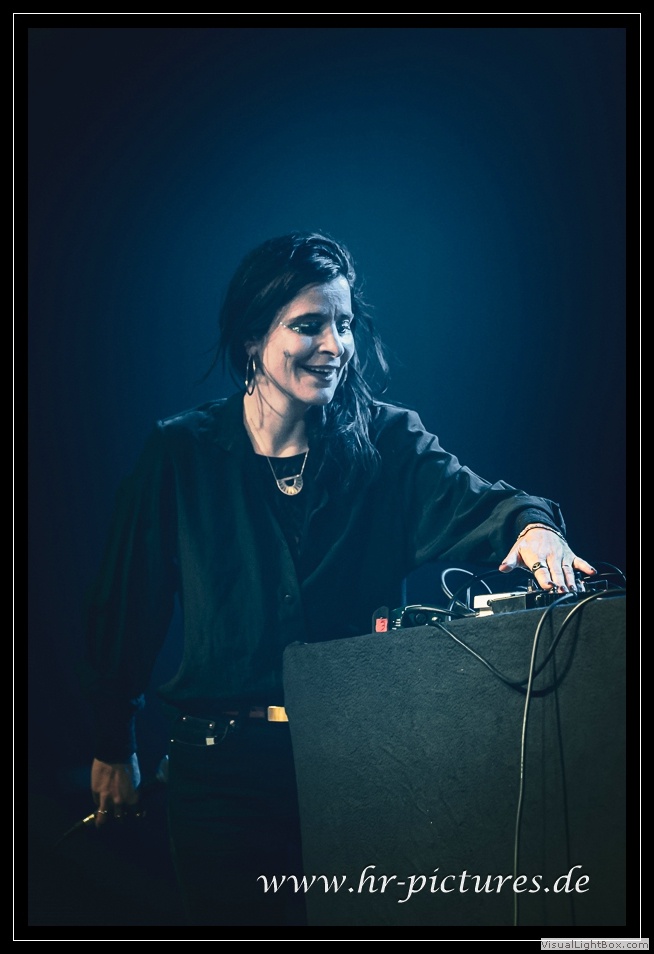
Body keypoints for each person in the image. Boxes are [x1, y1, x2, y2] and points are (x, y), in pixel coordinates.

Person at [78, 229, 596, 928]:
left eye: (344, 324)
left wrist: (533, 528)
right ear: (252, 337)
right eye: (308, 325)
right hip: (219, 779)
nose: (334, 345)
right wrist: (112, 744)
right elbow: (125, 606)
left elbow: (488, 506)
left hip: (362, 765)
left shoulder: (389, 442)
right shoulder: (180, 453)